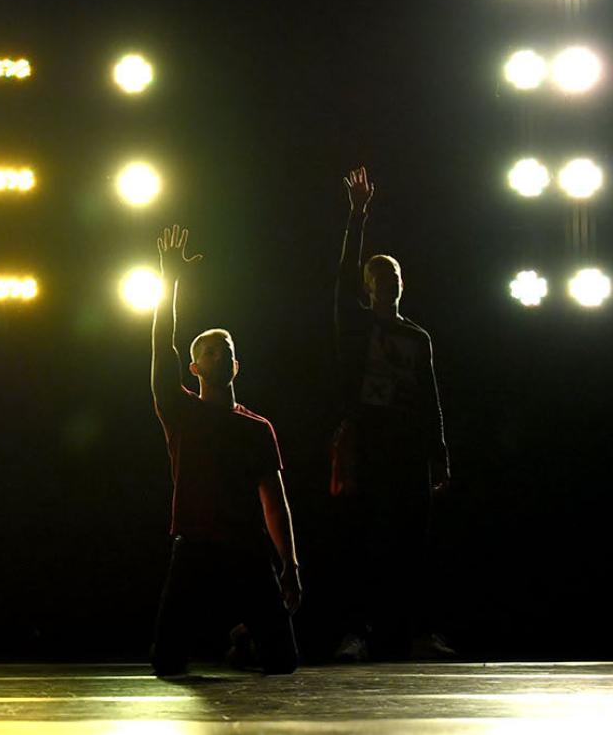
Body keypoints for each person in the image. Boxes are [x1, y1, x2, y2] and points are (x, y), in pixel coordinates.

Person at [149, 225, 301, 677]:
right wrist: (169, 282)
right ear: (195, 367)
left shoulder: (257, 428)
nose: (220, 357)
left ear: (235, 365)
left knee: (283, 663)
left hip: (246, 549)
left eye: (226, 352)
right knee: (166, 665)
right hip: (194, 546)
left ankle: (246, 638)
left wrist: (289, 564)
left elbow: (275, 502)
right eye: (210, 353)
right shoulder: (181, 411)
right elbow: (162, 348)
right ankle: (236, 634)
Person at [331, 167, 453, 662]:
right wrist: (357, 217)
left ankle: (415, 631)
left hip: (409, 449)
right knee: (364, 540)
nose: (388, 283)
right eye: (379, 277)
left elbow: (431, 397)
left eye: (394, 276)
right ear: (368, 286)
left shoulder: (417, 337)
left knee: (413, 543)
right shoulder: (357, 328)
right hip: (369, 444)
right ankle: (357, 631)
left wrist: (439, 454)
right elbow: (341, 281)